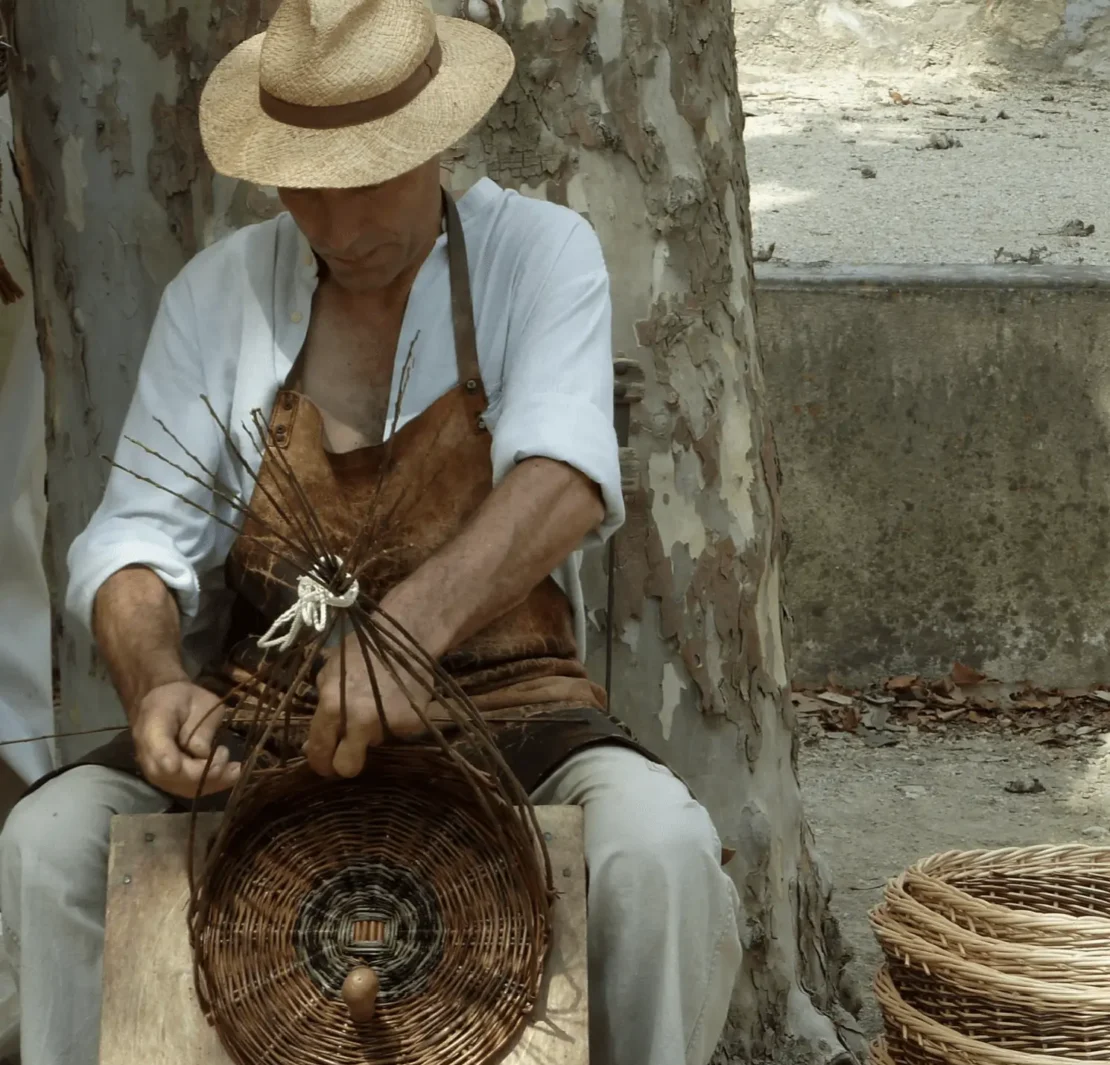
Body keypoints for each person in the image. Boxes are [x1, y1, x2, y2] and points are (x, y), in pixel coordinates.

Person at [0, 2, 742, 1064]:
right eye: (309, 186)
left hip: (509, 715)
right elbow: (131, 544)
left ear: (435, 139)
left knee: (658, 850)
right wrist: (156, 678)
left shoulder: (538, 254)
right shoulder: (218, 297)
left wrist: (407, 631)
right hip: (268, 726)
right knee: (50, 841)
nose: (340, 225)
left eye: (369, 179)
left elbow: (567, 476)